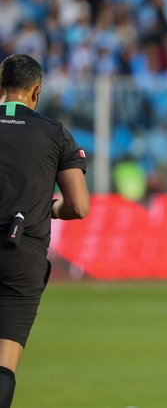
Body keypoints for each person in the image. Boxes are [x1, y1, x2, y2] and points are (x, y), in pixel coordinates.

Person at [0, 54, 90, 408]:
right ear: (36, 91)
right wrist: (49, 208)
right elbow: (79, 206)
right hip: (21, 253)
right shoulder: (53, 133)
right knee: (4, 364)